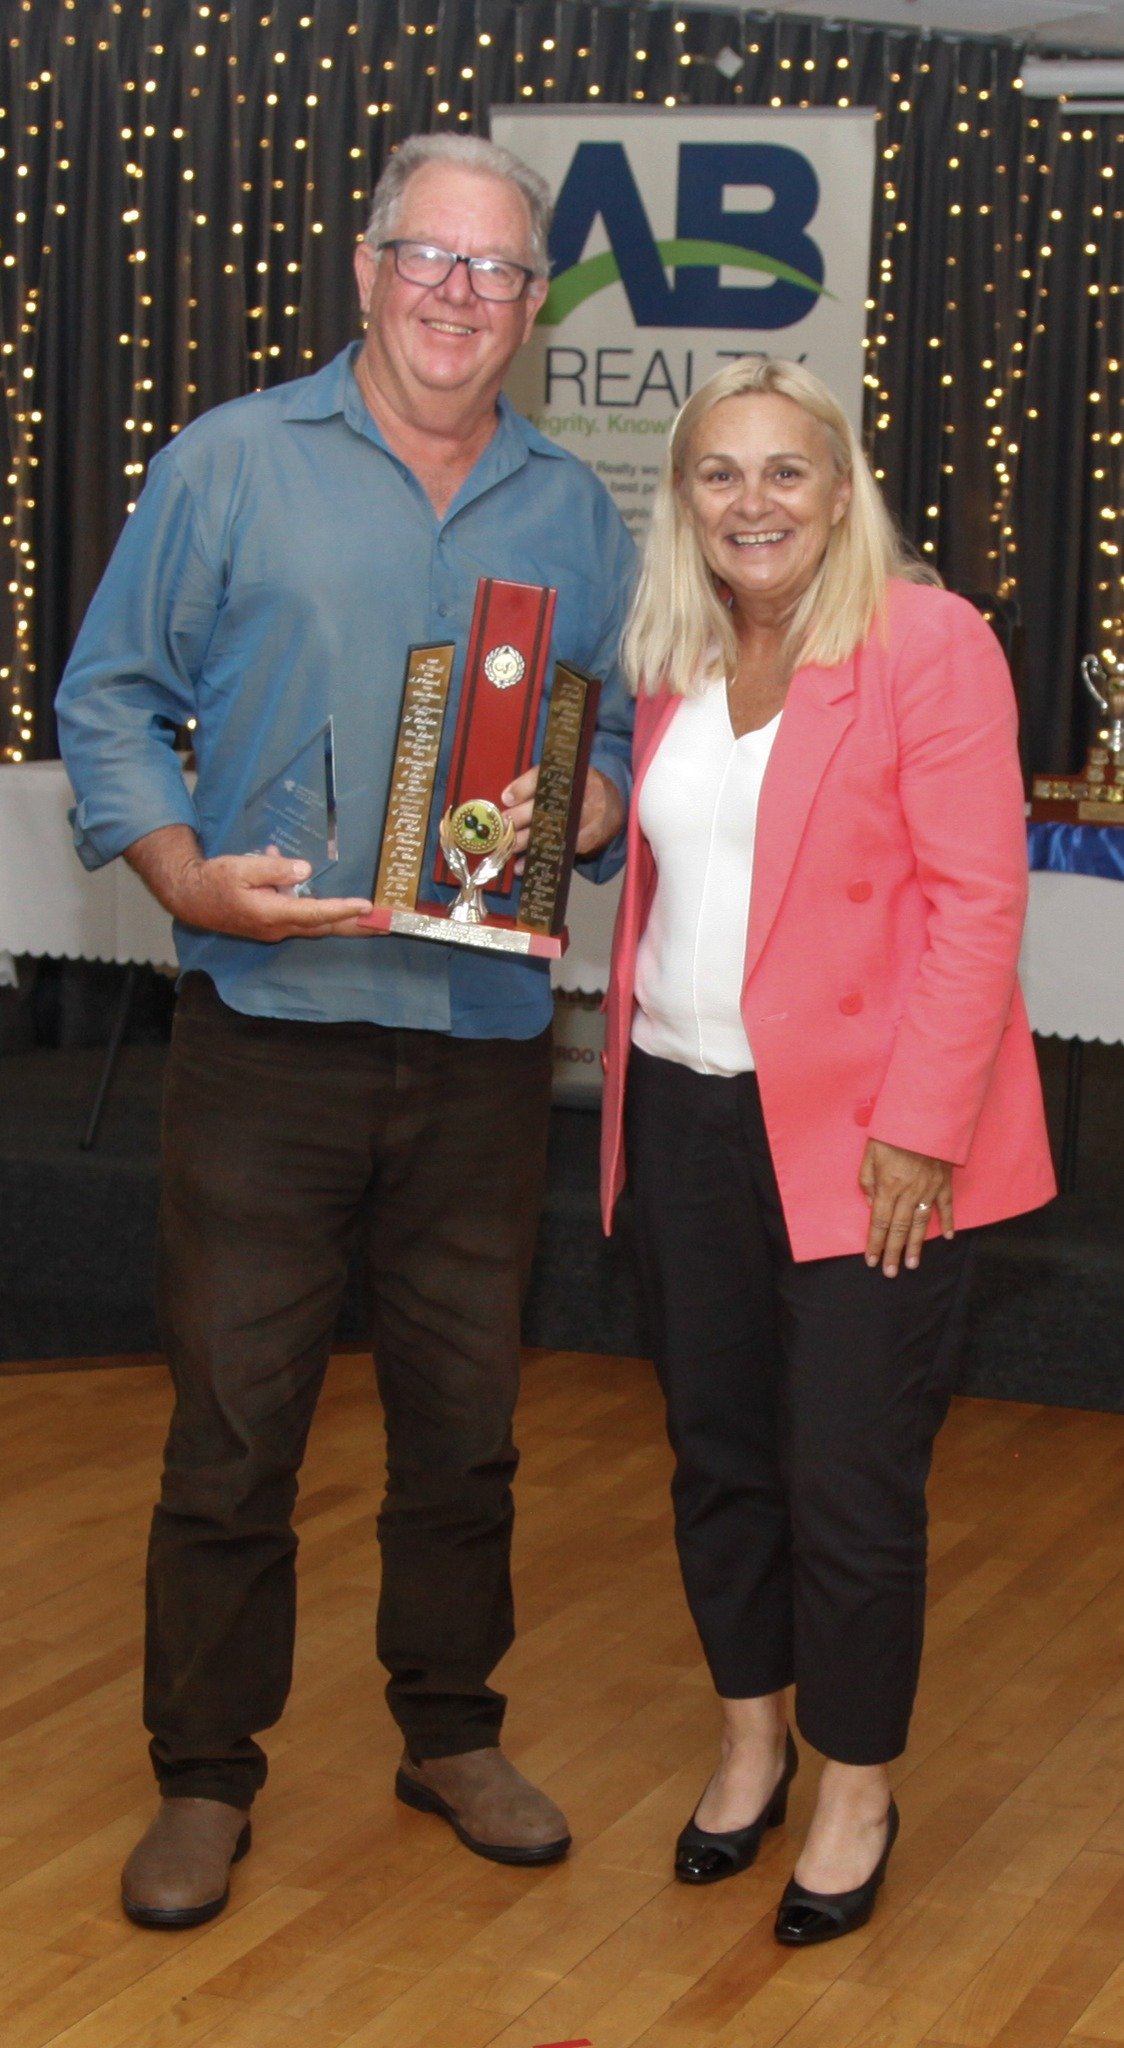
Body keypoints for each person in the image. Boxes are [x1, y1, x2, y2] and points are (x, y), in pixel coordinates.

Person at [56, 132, 634, 1929]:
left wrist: (591, 810)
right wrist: (179, 876)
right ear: (370, 269)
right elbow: (109, 701)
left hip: (477, 1039)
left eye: (498, 274)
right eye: (432, 261)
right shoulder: (232, 461)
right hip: (267, 1027)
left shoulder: (577, 511)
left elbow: (615, 745)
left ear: (535, 309)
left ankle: (449, 1728)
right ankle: (206, 1775)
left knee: (467, 1424)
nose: (462, 297)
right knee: (235, 1427)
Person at [599, 356, 1055, 1946]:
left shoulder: (928, 641)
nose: (753, 504)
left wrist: (922, 1130)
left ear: (844, 486)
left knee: (848, 1480)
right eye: (719, 474)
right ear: (683, 500)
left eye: (786, 471)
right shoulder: (667, 649)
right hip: (683, 1108)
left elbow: (979, 903)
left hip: (868, 1139)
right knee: (719, 1460)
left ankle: (856, 1785)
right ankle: (750, 1745)